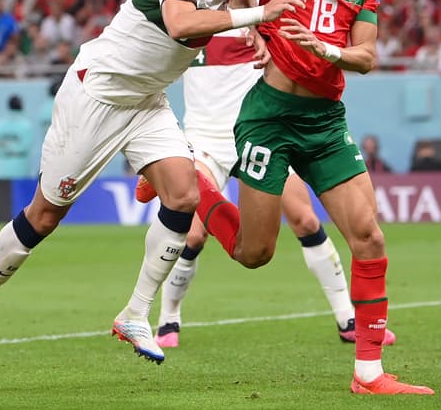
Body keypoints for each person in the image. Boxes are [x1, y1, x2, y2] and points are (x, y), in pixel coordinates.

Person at [0, 0, 308, 368]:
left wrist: (255, 19)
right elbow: (182, 24)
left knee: (183, 195)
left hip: (146, 102)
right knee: (43, 217)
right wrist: (262, 12)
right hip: (97, 96)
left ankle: (136, 312)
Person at [162, 0, 435, 395]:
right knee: (253, 253)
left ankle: (369, 374)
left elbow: (366, 56)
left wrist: (325, 50)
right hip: (269, 117)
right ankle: (194, 188)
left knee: (369, 236)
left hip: (326, 121)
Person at [137, 24, 398, 349]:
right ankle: (169, 318)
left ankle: (347, 318)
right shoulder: (191, 14)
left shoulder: (261, 11)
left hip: (258, 133)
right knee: (193, 234)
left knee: (305, 219)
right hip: (205, 139)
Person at [0, 95, 35, 179]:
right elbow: (26, 147)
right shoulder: (26, 125)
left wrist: (5, 148)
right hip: (21, 171)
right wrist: (14, 148)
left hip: (1, 171)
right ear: (21, 106)